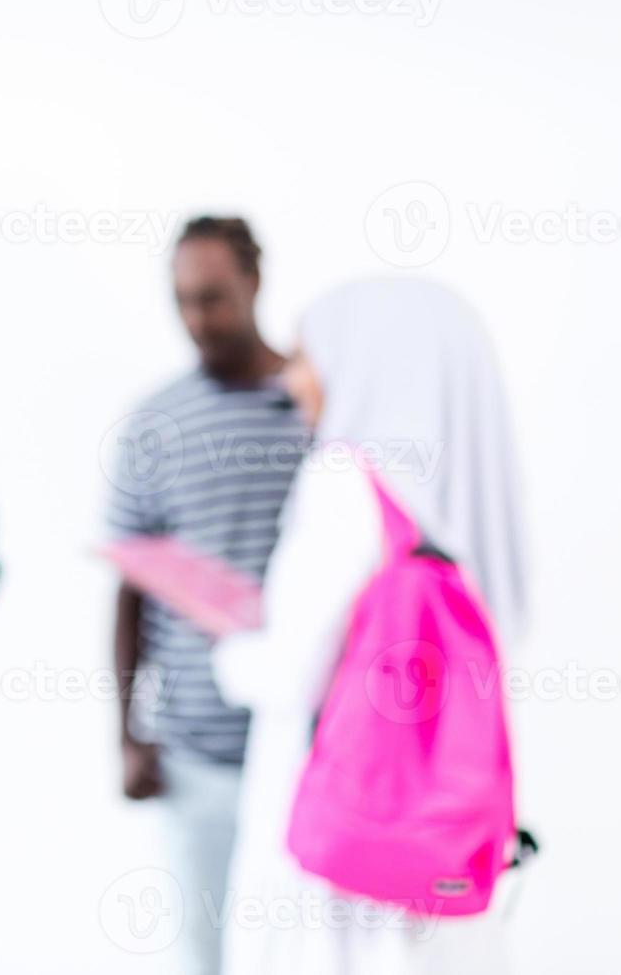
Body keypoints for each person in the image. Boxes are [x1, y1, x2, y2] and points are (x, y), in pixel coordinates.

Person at [211, 277, 528, 975]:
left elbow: (289, 672)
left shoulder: (344, 481)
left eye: (305, 355)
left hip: (341, 857)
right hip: (437, 854)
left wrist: (227, 650)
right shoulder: (464, 495)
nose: (292, 380)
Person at [107, 216, 308, 974]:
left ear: (255, 282)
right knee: (211, 957)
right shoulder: (156, 421)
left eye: (215, 298)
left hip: (308, 748)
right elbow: (130, 590)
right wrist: (128, 735)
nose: (199, 320)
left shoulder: (317, 406)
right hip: (197, 755)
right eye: (184, 300)